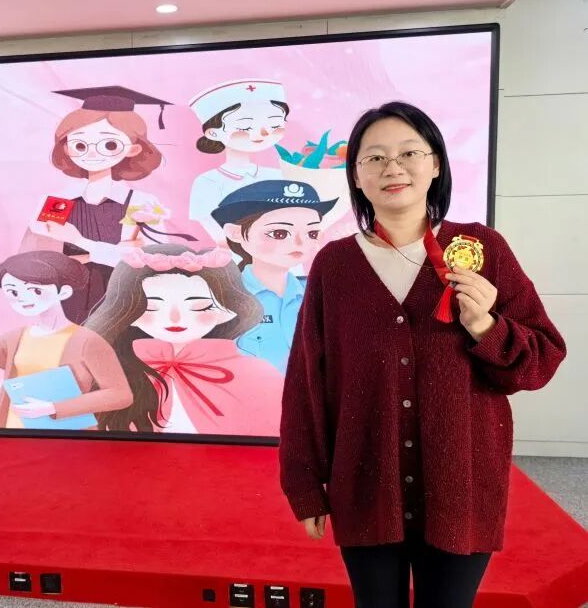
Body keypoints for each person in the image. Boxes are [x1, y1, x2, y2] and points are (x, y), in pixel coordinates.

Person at [278, 101, 567, 607]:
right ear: (357, 177)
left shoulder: (483, 249)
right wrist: (304, 483)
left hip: (462, 486)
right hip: (366, 485)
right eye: (375, 158)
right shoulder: (334, 266)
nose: (393, 167)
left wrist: (486, 326)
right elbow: (306, 381)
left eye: (409, 153)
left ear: (435, 164)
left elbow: (541, 360)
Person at [85, 244, 283, 435]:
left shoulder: (257, 374)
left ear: (227, 311)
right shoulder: (110, 372)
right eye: (152, 307)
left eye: (199, 306)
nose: (175, 318)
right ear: (129, 312)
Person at [0, 251, 132, 429]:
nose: (23, 298)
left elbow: (120, 394)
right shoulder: (14, 340)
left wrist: (53, 408)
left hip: (67, 441)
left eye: (35, 290)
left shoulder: (87, 340)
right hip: (14, 436)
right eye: (13, 292)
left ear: (64, 292)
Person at [23, 86, 175, 324]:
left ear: (133, 148)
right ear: (66, 147)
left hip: (125, 295)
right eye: (80, 145)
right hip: (66, 296)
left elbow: (153, 259)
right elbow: (40, 255)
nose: (92, 154)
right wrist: (121, 249)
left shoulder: (141, 202)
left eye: (110, 145)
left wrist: (81, 243)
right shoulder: (59, 200)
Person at [210, 179, 336, 374]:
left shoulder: (322, 295)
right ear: (236, 233)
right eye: (279, 233)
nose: (299, 243)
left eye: (311, 233)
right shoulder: (220, 299)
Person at [188, 79, 288, 247]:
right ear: (213, 133)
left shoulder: (278, 176)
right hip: (236, 255)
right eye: (245, 127)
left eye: (274, 124)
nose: (264, 133)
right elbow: (213, 228)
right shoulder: (208, 182)